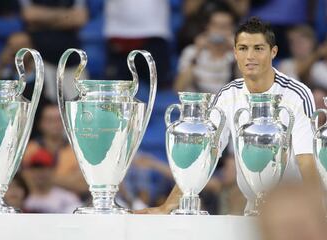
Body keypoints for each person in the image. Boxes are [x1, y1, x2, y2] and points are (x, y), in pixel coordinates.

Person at [137, 17, 319, 214]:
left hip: (295, 209)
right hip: (252, 211)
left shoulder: (297, 94)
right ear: (235, 53)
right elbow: (204, 155)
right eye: (243, 48)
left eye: (258, 48)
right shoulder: (227, 95)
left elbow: (306, 160)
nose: (250, 56)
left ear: (273, 52)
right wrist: (169, 205)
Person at [174, 7, 237, 94]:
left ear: (232, 29)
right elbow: (178, 88)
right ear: (208, 27)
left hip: (227, 104)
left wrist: (238, 50)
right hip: (198, 103)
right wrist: (197, 53)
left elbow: (246, 87)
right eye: (215, 25)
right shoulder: (191, 51)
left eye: (224, 27)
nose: (219, 31)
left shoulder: (236, 54)